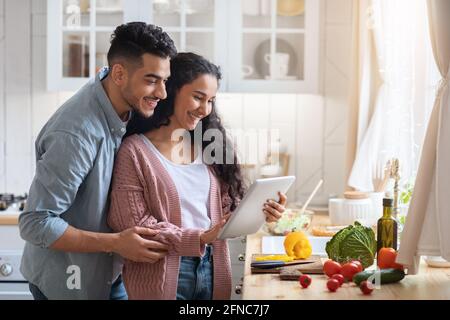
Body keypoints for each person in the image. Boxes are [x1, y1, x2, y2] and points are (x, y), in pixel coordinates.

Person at [107, 52, 287, 300]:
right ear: (171, 91)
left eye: (211, 100)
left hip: (212, 264)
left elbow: (225, 211)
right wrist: (200, 237)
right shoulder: (135, 151)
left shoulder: (208, 147)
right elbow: (137, 227)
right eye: (198, 97)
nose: (205, 109)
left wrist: (259, 211)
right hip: (163, 273)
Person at [18, 22, 177, 300]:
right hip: (68, 284)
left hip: (110, 274)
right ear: (118, 74)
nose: (162, 93)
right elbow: (35, 222)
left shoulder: (127, 103)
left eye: (165, 80)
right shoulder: (77, 133)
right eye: (152, 80)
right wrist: (117, 243)